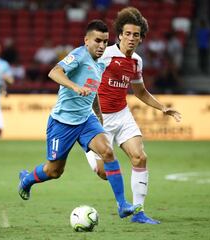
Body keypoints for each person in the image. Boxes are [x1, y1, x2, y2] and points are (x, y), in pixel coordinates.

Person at [18, 20, 142, 219]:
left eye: (105, 41)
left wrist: (99, 116)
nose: (101, 46)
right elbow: (54, 72)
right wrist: (74, 87)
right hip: (62, 123)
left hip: (86, 120)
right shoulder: (79, 55)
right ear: (86, 40)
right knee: (54, 171)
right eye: (97, 41)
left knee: (108, 152)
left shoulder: (102, 62)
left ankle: (122, 205)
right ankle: (26, 180)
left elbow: (93, 92)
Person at [85, 7, 181, 224]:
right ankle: (91, 153)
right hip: (98, 120)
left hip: (122, 114)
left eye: (135, 35)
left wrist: (162, 107)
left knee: (140, 157)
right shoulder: (106, 55)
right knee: (103, 172)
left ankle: (138, 212)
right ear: (119, 35)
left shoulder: (137, 61)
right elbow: (87, 81)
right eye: (127, 34)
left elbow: (140, 92)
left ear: (141, 38)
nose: (131, 38)